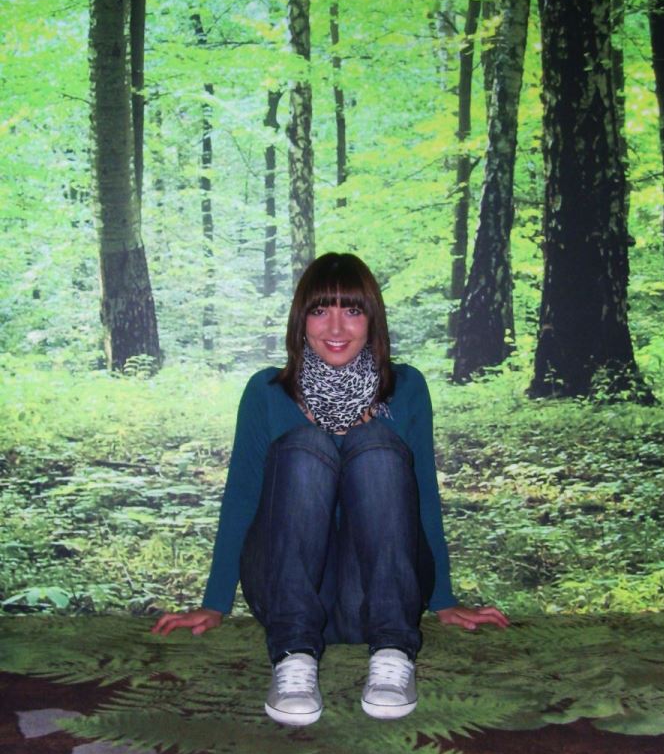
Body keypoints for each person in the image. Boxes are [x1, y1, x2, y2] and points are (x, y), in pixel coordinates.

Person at [152, 252, 507, 726]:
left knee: (376, 445)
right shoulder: (266, 392)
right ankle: (293, 658)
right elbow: (242, 499)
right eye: (320, 310)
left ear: (372, 320)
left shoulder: (406, 388)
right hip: (287, 593)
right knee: (305, 446)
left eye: (352, 310)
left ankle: (393, 654)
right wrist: (214, 603)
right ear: (301, 320)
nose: (336, 327)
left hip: (376, 597)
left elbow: (421, 493)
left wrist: (441, 597)